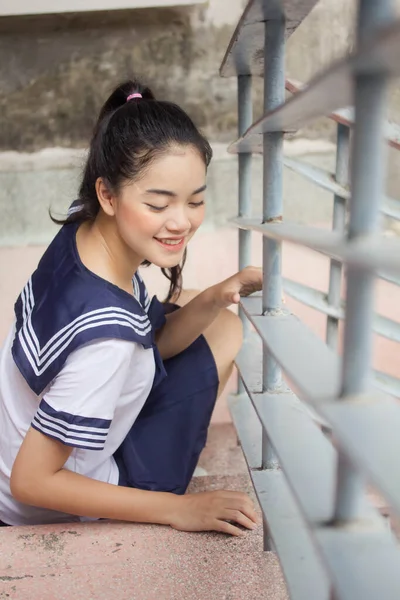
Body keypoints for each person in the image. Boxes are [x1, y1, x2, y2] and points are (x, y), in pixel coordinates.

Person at [0, 80, 262, 536]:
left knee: (200, 308)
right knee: (226, 333)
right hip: (61, 495)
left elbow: (146, 338)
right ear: (108, 195)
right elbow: (32, 481)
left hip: (12, 448)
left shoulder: (83, 223)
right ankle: (162, 475)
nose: (181, 221)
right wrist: (178, 509)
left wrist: (217, 294)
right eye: (159, 204)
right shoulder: (106, 343)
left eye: (196, 200)